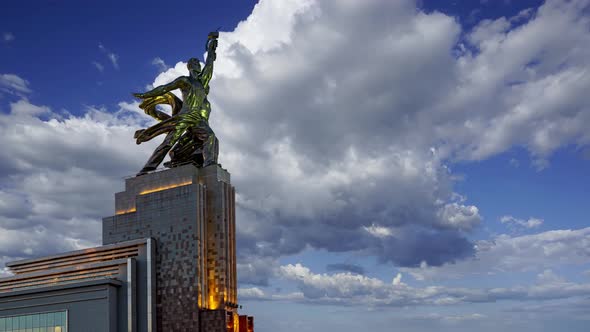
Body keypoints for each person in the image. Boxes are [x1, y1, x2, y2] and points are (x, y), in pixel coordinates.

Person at [133, 32, 219, 176]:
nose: (198, 65)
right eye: (195, 63)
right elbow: (164, 88)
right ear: (190, 67)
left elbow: (210, 63)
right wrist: (146, 95)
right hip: (185, 116)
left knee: (210, 137)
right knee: (167, 143)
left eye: (199, 63)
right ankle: (146, 170)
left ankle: (210, 163)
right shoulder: (184, 81)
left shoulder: (202, 82)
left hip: (197, 119)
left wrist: (212, 47)